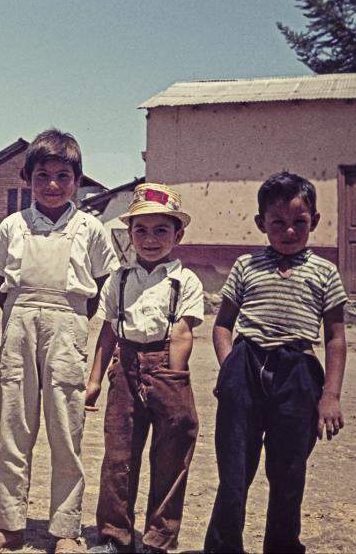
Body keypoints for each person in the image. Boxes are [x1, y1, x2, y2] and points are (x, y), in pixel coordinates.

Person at [0, 129, 119, 554]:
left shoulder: (90, 228)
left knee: (66, 431)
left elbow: (104, 289)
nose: (52, 185)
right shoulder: (11, 226)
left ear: (77, 179)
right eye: (42, 176)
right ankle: (9, 525)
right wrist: (25, 313)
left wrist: (70, 321)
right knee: (14, 430)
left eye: (62, 176)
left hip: (68, 325)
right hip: (19, 324)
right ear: (28, 177)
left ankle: (65, 530)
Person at [203, 171, 348, 554]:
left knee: (288, 472)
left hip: (298, 374)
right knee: (234, 470)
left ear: (314, 221)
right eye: (277, 223)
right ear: (261, 224)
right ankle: (223, 546)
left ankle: (282, 546)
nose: (288, 231)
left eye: (299, 222)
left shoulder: (325, 272)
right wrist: (229, 369)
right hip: (245, 367)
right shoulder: (246, 267)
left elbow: (335, 338)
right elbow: (222, 326)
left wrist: (330, 395)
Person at [86, 183, 204, 554]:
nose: (150, 239)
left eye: (161, 230)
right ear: (129, 234)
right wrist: (94, 379)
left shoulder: (184, 281)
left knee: (171, 456)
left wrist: (172, 377)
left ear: (177, 234)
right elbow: (108, 332)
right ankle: (114, 537)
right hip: (126, 365)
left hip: (167, 366)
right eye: (140, 230)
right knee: (119, 457)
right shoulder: (119, 280)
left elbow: (183, 332)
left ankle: (159, 540)